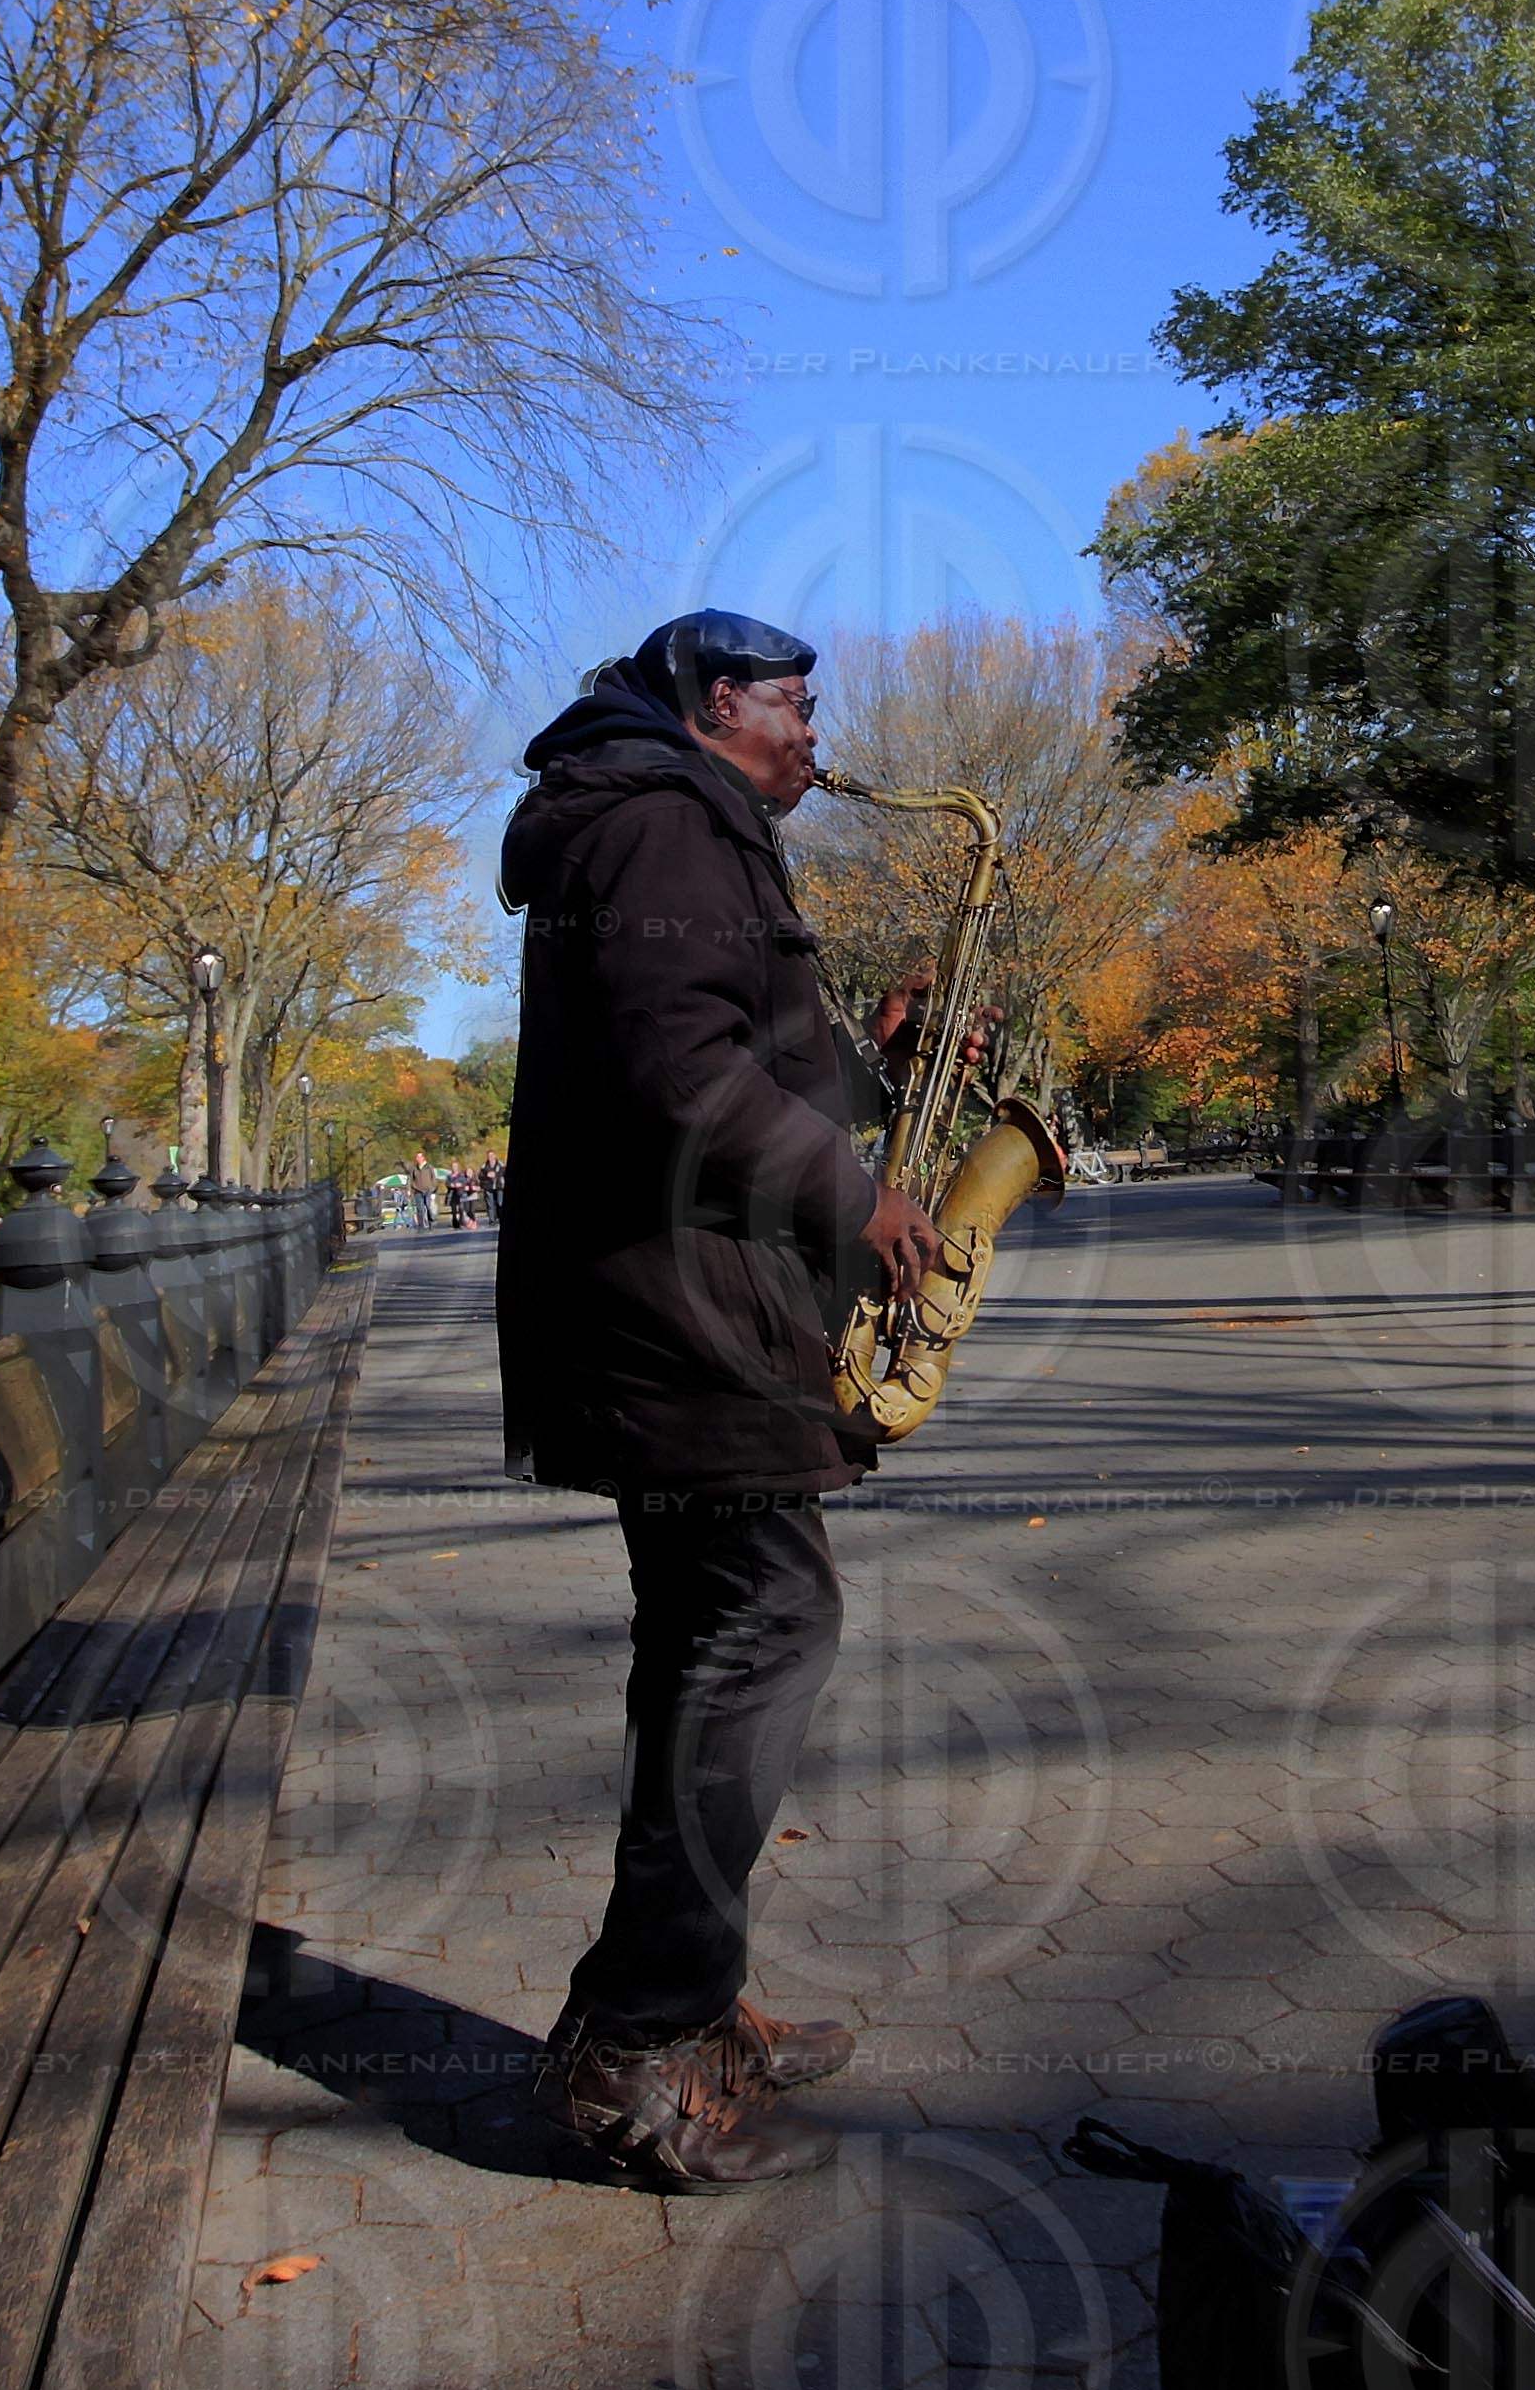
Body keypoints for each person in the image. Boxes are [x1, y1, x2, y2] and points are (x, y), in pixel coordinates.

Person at [494, 608, 957, 2192]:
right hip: (682, 1320)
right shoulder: (661, 828)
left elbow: (719, 1054)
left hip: (672, 1309)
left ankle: (681, 2016)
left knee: (711, 1643)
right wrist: (857, 1191)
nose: (818, 734)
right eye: (798, 705)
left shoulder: (655, 823)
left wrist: (866, 1066)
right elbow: (675, 1074)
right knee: (765, 1630)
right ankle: (641, 2035)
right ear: (713, 705)